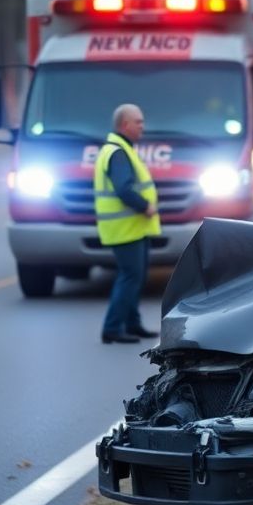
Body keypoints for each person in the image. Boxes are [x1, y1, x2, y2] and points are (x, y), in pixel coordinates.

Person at [95, 103, 159, 344]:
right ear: (125, 125)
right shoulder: (118, 153)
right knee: (130, 276)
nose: (143, 126)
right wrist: (145, 206)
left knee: (136, 276)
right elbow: (123, 189)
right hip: (124, 228)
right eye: (139, 122)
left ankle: (133, 323)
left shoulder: (123, 149)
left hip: (134, 227)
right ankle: (112, 327)